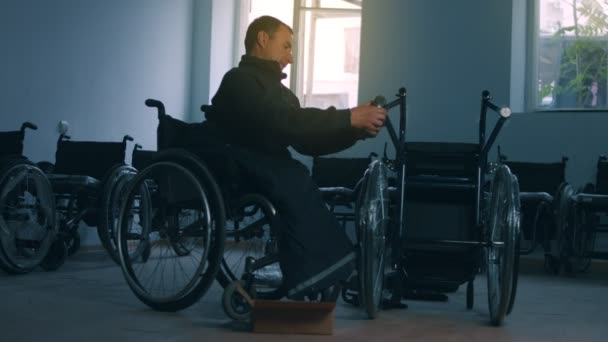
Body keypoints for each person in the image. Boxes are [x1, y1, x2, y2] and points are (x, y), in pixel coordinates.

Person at [205, 15, 387, 299]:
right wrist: (348, 117)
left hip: (269, 165)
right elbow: (283, 121)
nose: (290, 57)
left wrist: (355, 130)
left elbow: (306, 141)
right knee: (295, 182)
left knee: (299, 180)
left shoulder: (281, 93)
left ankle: (325, 272)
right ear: (263, 39)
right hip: (239, 164)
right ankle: (320, 274)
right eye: (286, 46)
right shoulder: (238, 80)